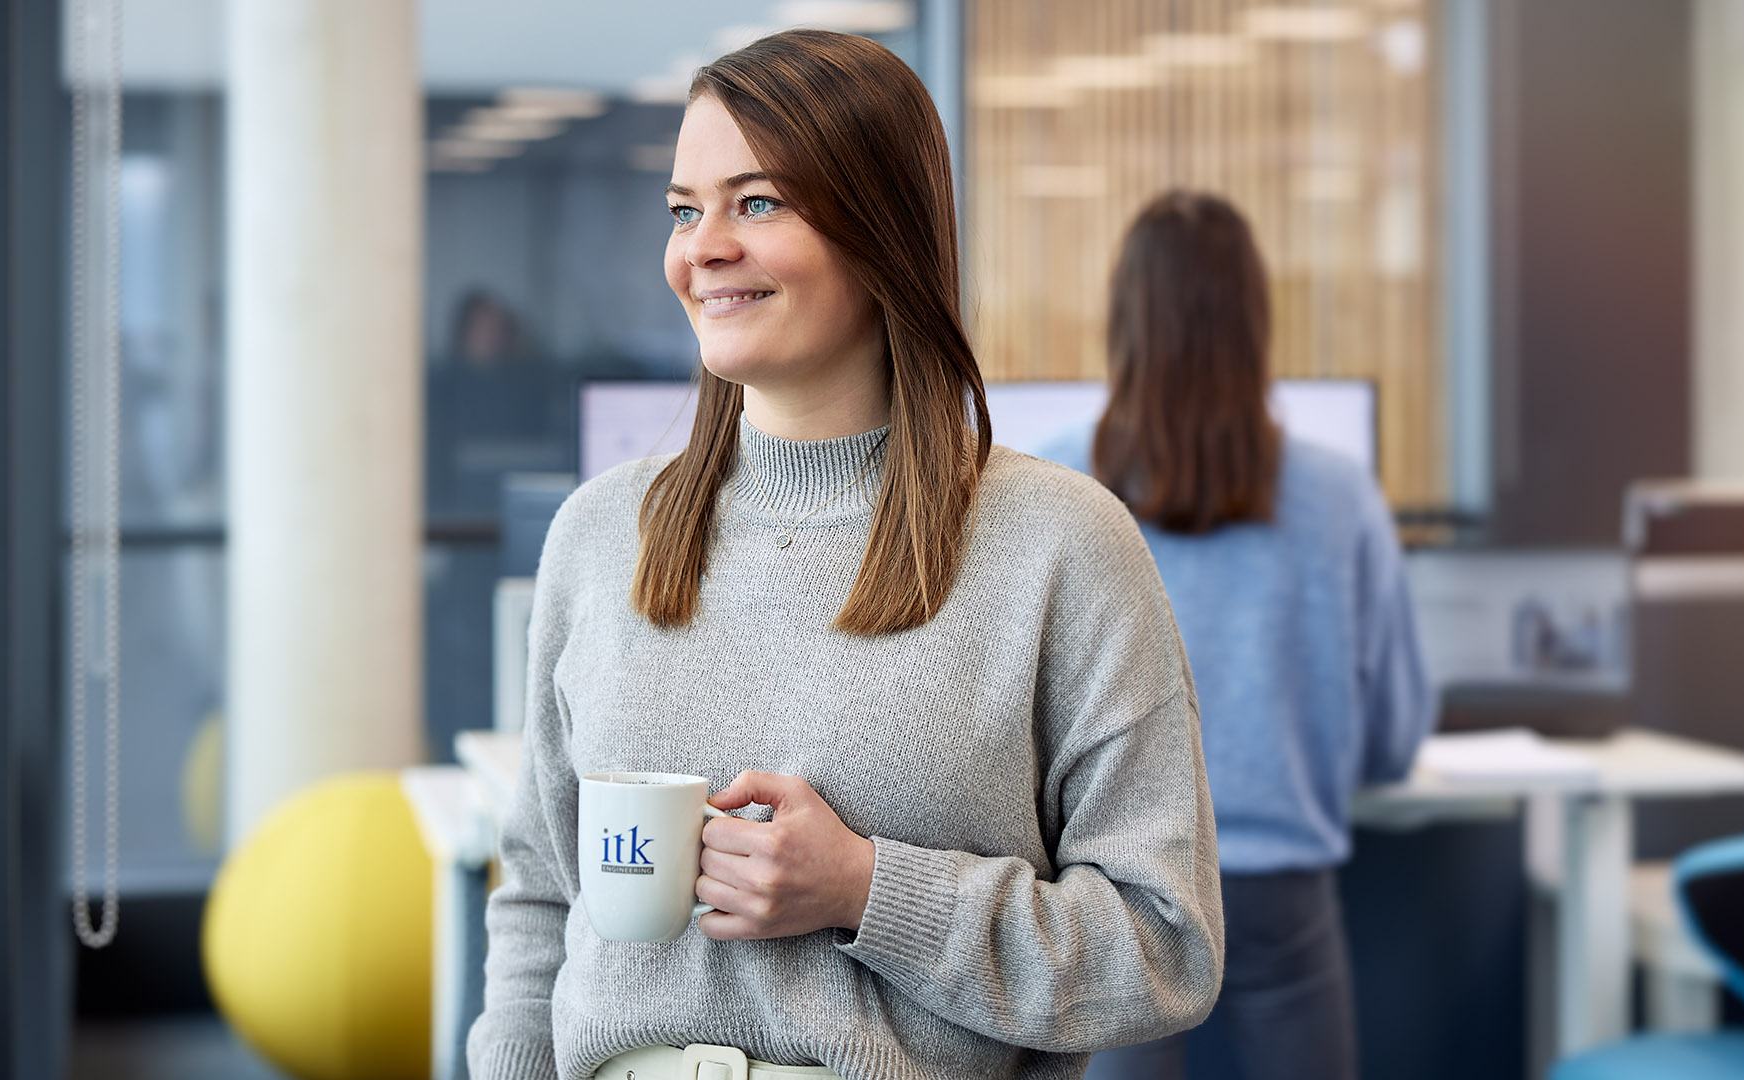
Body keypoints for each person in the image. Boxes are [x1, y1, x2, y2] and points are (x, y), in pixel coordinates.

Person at [466, 31, 1225, 1080]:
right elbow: (542, 897)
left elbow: (1163, 951)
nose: (704, 247)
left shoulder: (1061, 547)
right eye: (686, 209)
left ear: (881, 234)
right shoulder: (601, 536)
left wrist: (870, 890)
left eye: (759, 202)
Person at [1039, 191, 1434, 1080]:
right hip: (1281, 891)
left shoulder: (1055, 486)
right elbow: (1395, 735)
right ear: (1257, 324)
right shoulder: (1340, 497)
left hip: (1117, 897)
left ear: (1124, 321)